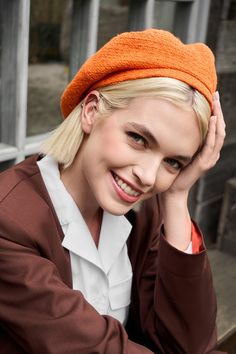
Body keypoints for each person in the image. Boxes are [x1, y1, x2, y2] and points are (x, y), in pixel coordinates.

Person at [0, 29, 226, 354]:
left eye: (173, 162)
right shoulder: (8, 221)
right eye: (138, 138)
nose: (148, 177)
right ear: (91, 111)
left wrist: (177, 197)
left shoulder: (145, 212)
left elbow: (189, 344)